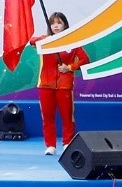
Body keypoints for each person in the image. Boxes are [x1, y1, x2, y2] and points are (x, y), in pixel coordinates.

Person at [32, 13, 88, 154]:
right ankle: (50, 145)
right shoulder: (45, 41)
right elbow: (32, 41)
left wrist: (69, 67)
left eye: (59, 23)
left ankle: (67, 142)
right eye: (53, 23)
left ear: (65, 25)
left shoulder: (72, 42)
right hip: (45, 84)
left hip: (65, 85)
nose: (56, 26)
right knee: (47, 115)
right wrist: (48, 39)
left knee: (67, 115)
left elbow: (84, 59)